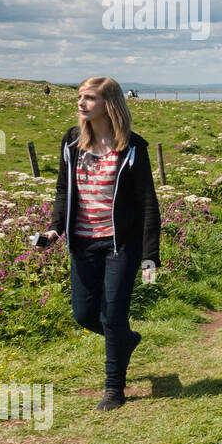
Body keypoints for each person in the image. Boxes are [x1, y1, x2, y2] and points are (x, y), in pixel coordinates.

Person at [40, 76, 161, 411]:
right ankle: (126, 339)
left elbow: (148, 203)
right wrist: (54, 230)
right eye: (79, 96)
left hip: (120, 246)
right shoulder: (71, 143)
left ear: (109, 104)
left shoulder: (133, 147)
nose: (81, 103)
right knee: (83, 314)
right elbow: (63, 192)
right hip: (82, 244)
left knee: (112, 315)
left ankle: (113, 389)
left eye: (90, 98)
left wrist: (151, 256)